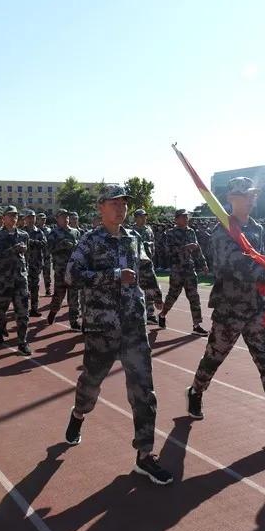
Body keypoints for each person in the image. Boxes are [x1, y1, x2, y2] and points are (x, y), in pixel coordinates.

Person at [186, 178, 265, 451]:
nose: (251, 199)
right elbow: (233, 263)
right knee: (213, 358)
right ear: (232, 198)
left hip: (254, 308)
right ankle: (196, 391)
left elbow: (258, 259)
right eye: (245, 195)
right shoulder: (222, 231)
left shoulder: (257, 229)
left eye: (253, 195)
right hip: (229, 309)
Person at [63, 185, 171, 485]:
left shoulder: (134, 239)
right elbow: (71, 275)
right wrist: (111, 276)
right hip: (102, 328)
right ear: (101, 207)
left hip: (134, 326)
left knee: (143, 391)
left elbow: (146, 270)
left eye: (124, 202)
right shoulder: (90, 240)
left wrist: (155, 294)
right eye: (114, 203)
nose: (120, 208)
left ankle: (145, 454)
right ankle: (79, 414)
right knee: (91, 384)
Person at [158, 209, 209, 335]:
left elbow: (197, 249)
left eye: (187, 217)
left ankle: (197, 325)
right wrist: (184, 248)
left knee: (194, 297)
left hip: (190, 269)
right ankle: (163, 314)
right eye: (183, 217)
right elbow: (167, 251)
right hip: (177, 269)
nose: (186, 219)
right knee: (172, 296)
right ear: (176, 219)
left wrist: (203, 264)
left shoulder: (191, 232)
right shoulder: (169, 233)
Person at [0, 206, 32, 356]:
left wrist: (24, 271)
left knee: (23, 312)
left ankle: (22, 342)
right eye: (10, 215)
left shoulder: (23, 235)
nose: (14, 218)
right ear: (4, 218)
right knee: (1, 310)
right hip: (4, 279)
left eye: (15, 216)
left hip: (20, 279)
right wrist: (12, 250)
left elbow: (26, 257)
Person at [47, 209, 82, 330]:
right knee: (59, 295)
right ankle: (53, 311)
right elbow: (49, 249)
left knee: (74, 296)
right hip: (60, 269)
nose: (66, 219)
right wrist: (61, 245)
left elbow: (81, 249)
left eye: (67, 216)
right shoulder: (53, 233)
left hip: (73, 269)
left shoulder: (76, 232)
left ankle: (74, 321)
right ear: (57, 219)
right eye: (62, 217)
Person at [131, 208, 158, 324]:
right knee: (135, 288)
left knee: (150, 287)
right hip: (136, 264)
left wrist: (152, 255)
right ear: (136, 218)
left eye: (145, 216)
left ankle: (150, 313)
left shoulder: (149, 229)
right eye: (141, 216)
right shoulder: (131, 230)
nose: (144, 218)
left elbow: (153, 244)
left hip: (148, 263)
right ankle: (135, 312)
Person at [22, 209, 47, 317]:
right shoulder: (21, 232)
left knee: (35, 287)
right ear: (25, 219)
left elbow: (44, 243)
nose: (31, 220)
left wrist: (31, 242)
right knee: (24, 288)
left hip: (35, 263)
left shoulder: (39, 232)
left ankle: (34, 308)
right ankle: (23, 309)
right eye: (29, 218)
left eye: (33, 217)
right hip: (23, 264)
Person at [36, 212, 53, 295]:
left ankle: (48, 288)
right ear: (37, 220)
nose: (43, 221)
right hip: (37, 255)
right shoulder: (35, 230)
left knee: (47, 273)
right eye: (41, 219)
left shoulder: (49, 230)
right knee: (36, 274)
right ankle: (36, 290)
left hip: (47, 254)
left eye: (44, 219)